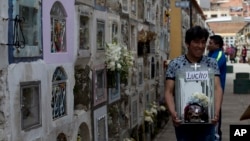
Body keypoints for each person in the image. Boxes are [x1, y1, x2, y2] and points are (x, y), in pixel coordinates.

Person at [165, 26, 223, 141]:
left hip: (207, 122)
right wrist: (173, 113)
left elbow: (217, 88)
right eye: (196, 42)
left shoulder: (211, 63)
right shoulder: (175, 64)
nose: (200, 46)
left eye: (203, 42)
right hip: (183, 122)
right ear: (187, 43)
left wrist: (216, 112)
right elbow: (168, 91)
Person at [207, 35, 227, 141]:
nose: (208, 45)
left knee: (216, 114)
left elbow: (210, 69)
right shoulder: (210, 53)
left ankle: (217, 137)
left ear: (217, 45)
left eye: (210, 43)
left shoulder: (219, 55)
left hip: (216, 90)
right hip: (209, 89)